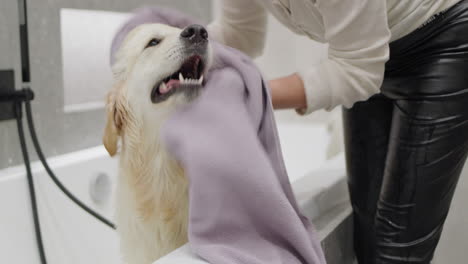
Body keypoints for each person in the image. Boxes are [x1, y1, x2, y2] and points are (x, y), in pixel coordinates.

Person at [208, 0, 468, 263]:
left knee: (399, 249)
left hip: (443, 45)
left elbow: (357, 70)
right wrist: (178, 49)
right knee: (366, 229)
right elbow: (239, 32)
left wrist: (252, 92)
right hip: (370, 51)